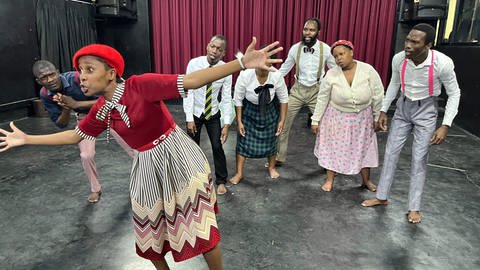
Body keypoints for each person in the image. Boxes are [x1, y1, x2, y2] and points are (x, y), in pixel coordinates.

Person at [1, 39, 282, 269]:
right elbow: (76, 135)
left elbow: (193, 80)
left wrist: (242, 62)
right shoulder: (102, 108)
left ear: (111, 72)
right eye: (80, 71)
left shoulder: (140, 85)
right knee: (149, 231)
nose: (81, 76)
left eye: (88, 69)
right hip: (146, 163)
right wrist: (27, 138)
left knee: (200, 228)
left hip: (177, 156)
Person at [361, 23, 461, 224]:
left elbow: (455, 93)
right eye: (408, 40)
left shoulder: (442, 63)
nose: (408, 45)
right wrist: (382, 110)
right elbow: (394, 84)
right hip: (403, 107)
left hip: (427, 110)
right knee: (390, 153)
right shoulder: (399, 59)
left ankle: (414, 208)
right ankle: (381, 197)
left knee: (419, 158)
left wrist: (446, 124)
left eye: (414, 42)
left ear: (428, 45)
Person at [33, 60, 134, 203]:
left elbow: (111, 97)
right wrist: (67, 108)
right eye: (44, 77)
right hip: (85, 118)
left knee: (132, 148)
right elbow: (61, 124)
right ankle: (95, 189)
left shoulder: (78, 77)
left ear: (57, 71)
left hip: (108, 111)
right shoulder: (45, 94)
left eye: (52, 74)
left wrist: (76, 103)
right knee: (86, 155)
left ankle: (149, 178)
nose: (50, 80)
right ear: (38, 81)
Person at [310, 40, 384, 192]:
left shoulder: (367, 70)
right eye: (336, 56)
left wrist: (377, 117)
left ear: (351, 52)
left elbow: (378, 94)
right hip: (336, 117)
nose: (339, 59)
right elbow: (322, 98)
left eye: (341, 54)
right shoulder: (331, 74)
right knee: (332, 148)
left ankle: (366, 181)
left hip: (362, 118)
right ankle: (330, 179)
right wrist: (315, 120)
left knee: (364, 148)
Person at [274, 17, 336, 166]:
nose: (308, 33)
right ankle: (278, 157)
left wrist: (328, 85)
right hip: (298, 90)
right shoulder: (295, 48)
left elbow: (335, 70)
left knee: (323, 127)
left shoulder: (326, 49)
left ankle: (327, 161)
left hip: (317, 91)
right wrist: (270, 81)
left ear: (318, 32)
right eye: (305, 29)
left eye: (312, 30)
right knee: (283, 123)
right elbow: (285, 69)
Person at [229, 50, 288, 184]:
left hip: (269, 110)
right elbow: (237, 99)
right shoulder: (245, 75)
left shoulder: (277, 75)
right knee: (243, 142)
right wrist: (239, 121)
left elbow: (284, 99)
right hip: (249, 110)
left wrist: (282, 120)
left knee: (272, 140)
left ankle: (271, 168)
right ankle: (239, 173)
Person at [183, 35, 232, 195]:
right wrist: (189, 118)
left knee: (217, 147)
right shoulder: (194, 64)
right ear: (207, 46)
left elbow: (226, 98)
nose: (215, 51)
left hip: (213, 114)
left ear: (223, 53)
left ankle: (221, 181)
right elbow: (188, 92)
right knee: (192, 149)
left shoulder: (226, 69)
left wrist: (226, 124)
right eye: (213, 46)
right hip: (195, 113)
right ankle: (194, 180)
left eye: (219, 49)